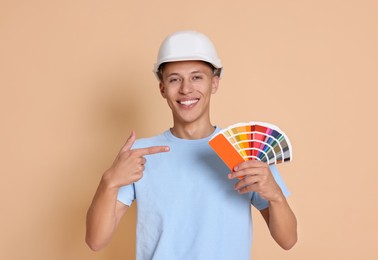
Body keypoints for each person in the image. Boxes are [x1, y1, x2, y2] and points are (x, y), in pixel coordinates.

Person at [86, 30, 297, 259]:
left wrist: (275, 195)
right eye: (174, 79)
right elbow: (96, 241)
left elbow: (288, 240)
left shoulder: (245, 148)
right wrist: (109, 182)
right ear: (162, 89)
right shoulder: (140, 155)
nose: (186, 89)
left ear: (214, 83)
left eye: (197, 77)